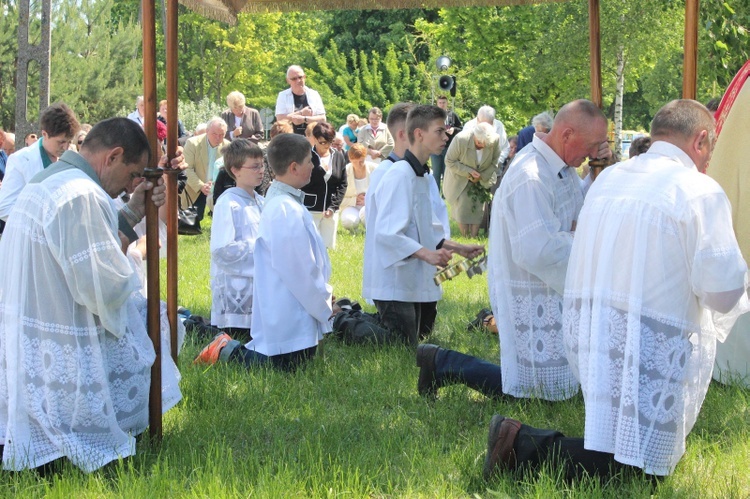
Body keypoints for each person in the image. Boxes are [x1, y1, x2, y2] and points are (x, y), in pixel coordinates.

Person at [483, 99, 749, 481]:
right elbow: (722, 293)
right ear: (701, 140)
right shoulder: (700, 191)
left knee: (622, 445)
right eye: (713, 148)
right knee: (644, 468)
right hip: (651, 344)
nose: (710, 160)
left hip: (595, 337)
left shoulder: (611, 178)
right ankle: (521, 445)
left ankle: (523, 443)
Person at [0, 117, 183, 472]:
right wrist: (134, 264)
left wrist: (131, 210)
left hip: (32, 329)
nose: (129, 186)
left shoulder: (51, 180)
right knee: (148, 323)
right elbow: (104, 287)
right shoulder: (82, 194)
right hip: (62, 330)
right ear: (112, 156)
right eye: (132, 176)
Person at [417, 99, 611, 402]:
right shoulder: (531, 175)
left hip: (549, 287)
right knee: (535, 392)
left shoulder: (558, 165)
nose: (592, 154)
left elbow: (571, 206)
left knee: (550, 386)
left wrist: (592, 178)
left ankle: (443, 362)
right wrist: (584, 238)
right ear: (568, 135)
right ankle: (443, 362)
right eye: (591, 145)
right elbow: (538, 249)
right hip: (534, 289)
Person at [195, 133, 333, 372]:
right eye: (309, 161)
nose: (313, 166)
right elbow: (298, 269)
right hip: (286, 303)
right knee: (280, 364)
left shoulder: (278, 202)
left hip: (292, 301)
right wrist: (323, 303)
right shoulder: (281, 208)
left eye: (262, 166)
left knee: (296, 361)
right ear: (293, 167)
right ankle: (224, 350)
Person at [363, 104, 483, 347]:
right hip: (395, 281)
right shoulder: (398, 175)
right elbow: (387, 234)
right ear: (418, 134)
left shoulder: (421, 176)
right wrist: (428, 255)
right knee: (401, 347)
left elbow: (427, 229)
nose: (445, 137)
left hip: (415, 278)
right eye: (439, 131)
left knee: (423, 336)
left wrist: (459, 248)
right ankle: (345, 320)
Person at [210, 139, 265, 343]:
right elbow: (223, 250)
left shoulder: (261, 201)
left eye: (262, 165)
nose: (260, 171)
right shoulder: (228, 202)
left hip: (258, 287)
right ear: (235, 170)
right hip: (237, 294)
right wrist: (263, 250)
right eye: (254, 166)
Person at [0, 103, 80, 223]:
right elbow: (5, 208)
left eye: (69, 142)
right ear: (44, 134)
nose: (66, 147)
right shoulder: (20, 160)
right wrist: (45, 221)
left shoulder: (72, 159)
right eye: (61, 142)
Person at [442, 122, 501, 237]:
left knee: (479, 207)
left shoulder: (495, 140)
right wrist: (469, 172)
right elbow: (449, 161)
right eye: (479, 143)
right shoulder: (461, 139)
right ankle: (465, 236)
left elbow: (495, 162)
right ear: (474, 136)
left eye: (485, 144)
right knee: (462, 207)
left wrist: (482, 176)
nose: (482, 146)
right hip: (460, 177)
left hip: (482, 178)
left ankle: (473, 236)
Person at [302, 122, 347, 249]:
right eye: (322, 142)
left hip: (331, 210)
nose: (326, 146)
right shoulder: (305, 156)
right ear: (314, 139)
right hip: (310, 209)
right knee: (309, 248)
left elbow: (343, 184)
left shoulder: (338, 155)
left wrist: (333, 207)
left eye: (330, 142)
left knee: (328, 249)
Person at [182, 117, 230, 229]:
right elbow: (187, 169)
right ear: (207, 131)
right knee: (191, 225)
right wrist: (201, 186)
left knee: (222, 223)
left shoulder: (228, 146)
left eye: (221, 134)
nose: (218, 137)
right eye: (214, 134)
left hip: (217, 187)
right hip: (195, 186)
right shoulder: (192, 143)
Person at [275, 65, 326, 136]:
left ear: (304, 77)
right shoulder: (283, 95)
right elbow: (280, 119)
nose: (298, 81)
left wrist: (304, 119)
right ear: (288, 81)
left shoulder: (314, 94)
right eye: (294, 79)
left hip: (312, 137)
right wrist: (301, 112)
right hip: (291, 138)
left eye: (300, 77)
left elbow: (323, 119)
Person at [339, 143, 376, 230]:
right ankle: (355, 231)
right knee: (349, 221)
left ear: (365, 157)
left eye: (361, 161)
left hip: (370, 205)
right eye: (355, 162)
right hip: (351, 205)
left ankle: (369, 230)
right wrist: (354, 200)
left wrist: (368, 200)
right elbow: (339, 198)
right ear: (350, 159)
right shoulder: (343, 172)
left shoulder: (375, 169)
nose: (358, 165)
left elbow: (383, 192)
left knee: (368, 215)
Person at [430, 95, 462, 192]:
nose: (442, 105)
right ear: (437, 104)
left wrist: (454, 129)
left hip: (448, 147)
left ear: (447, 103)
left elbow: (461, 128)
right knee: (436, 172)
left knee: (446, 172)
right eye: (440, 103)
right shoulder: (432, 116)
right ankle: (435, 194)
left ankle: (445, 194)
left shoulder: (452, 115)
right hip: (435, 148)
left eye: (443, 103)